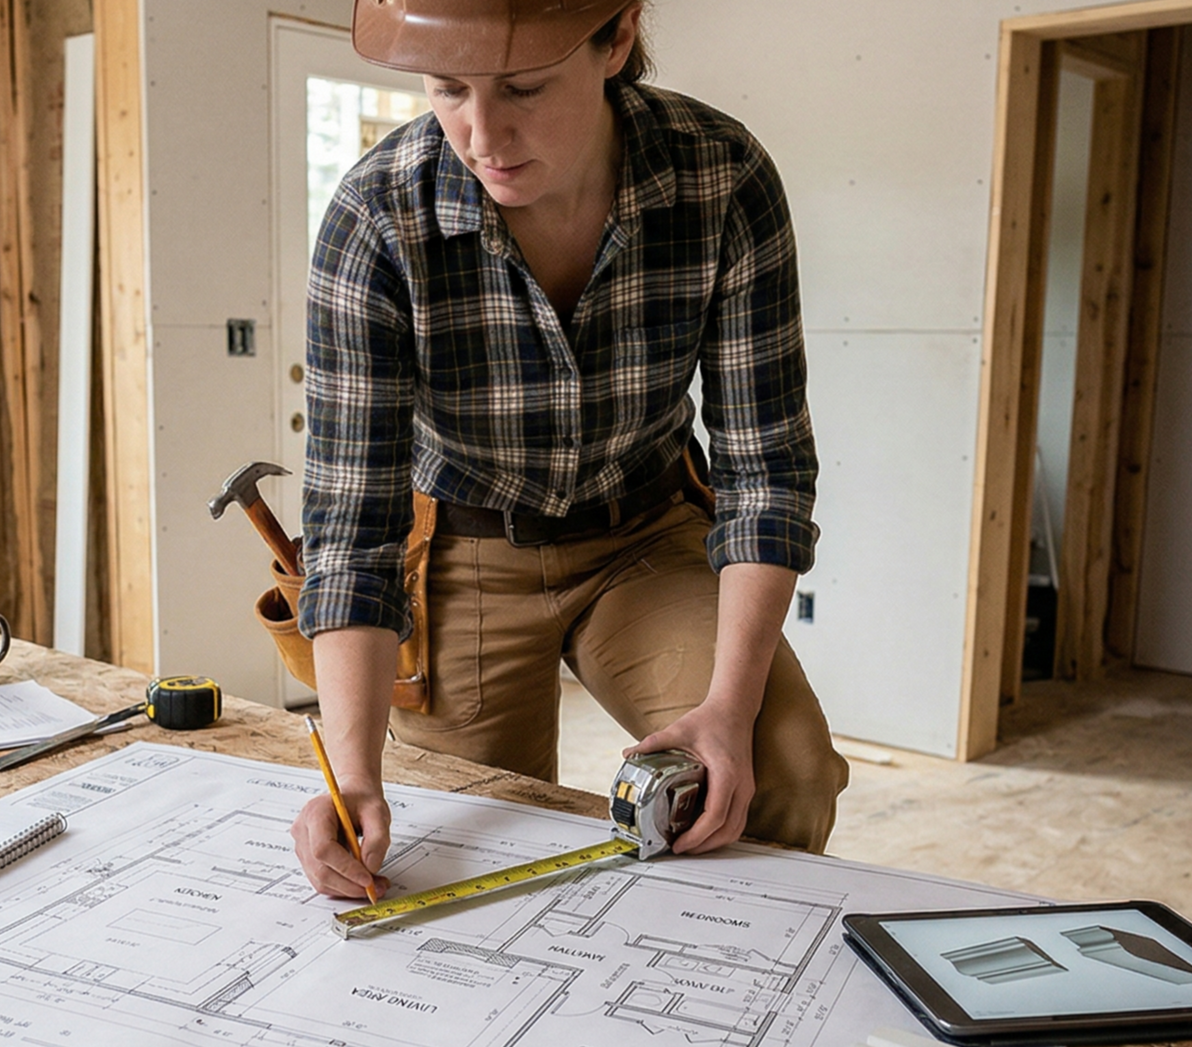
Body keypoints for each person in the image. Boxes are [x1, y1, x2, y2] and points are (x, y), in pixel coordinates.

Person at [289, 0, 849, 900]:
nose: (482, 134)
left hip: (645, 536)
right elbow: (355, 524)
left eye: (524, 87)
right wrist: (352, 773)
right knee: (465, 843)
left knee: (780, 767)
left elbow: (767, 469)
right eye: (448, 90)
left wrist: (731, 708)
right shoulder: (377, 216)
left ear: (617, 39)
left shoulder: (722, 175)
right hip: (465, 552)